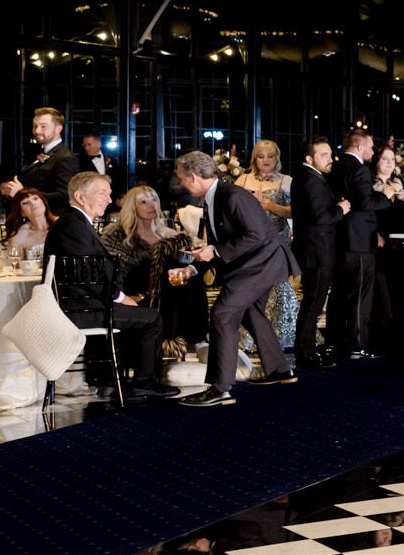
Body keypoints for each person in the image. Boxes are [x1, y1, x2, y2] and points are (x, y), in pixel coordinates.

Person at [175, 150, 297, 405]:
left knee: (222, 314)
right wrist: (198, 264)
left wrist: (215, 250)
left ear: (194, 177)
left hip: (260, 265)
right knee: (251, 312)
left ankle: (220, 389)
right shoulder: (216, 196)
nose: (180, 184)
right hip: (256, 263)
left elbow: (254, 236)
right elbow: (231, 240)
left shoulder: (231, 195)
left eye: (182, 179)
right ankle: (279, 370)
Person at [47, 172, 178, 401]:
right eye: (102, 194)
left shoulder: (73, 222)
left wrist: (122, 295)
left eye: (109, 194)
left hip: (87, 304)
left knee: (144, 310)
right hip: (83, 310)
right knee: (152, 319)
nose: (109, 200)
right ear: (79, 196)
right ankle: (143, 383)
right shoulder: (73, 226)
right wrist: (119, 297)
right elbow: (87, 274)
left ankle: (116, 376)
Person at [102, 184, 208, 354]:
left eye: (154, 200)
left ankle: (195, 339)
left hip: (170, 292)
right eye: (144, 202)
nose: (152, 205)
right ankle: (186, 341)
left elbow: (193, 261)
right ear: (132, 206)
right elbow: (109, 271)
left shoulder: (171, 235)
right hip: (137, 293)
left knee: (192, 279)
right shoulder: (117, 235)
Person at [236, 141, 300, 355]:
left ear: (276, 158)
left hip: (276, 241)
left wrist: (269, 206)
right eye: (261, 156)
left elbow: (295, 212)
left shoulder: (286, 181)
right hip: (250, 244)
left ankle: (283, 334)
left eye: (270, 156)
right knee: (252, 288)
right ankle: (249, 336)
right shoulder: (242, 180)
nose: (266, 160)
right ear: (255, 158)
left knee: (279, 287)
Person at [329, 131, 386, 361]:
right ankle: (357, 345)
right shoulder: (359, 169)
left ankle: (336, 341)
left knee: (340, 294)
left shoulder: (335, 167)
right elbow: (365, 202)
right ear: (360, 147)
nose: (372, 152)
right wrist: (387, 196)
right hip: (359, 241)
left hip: (339, 238)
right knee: (361, 294)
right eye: (371, 147)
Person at [291, 137, 347, 370]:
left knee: (312, 303)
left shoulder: (307, 177)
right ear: (309, 158)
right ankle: (305, 353)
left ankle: (307, 349)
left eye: (330, 154)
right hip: (316, 250)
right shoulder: (310, 180)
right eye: (323, 155)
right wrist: (340, 209)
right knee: (313, 304)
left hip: (313, 249)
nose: (330, 159)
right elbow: (320, 217)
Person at [370, 144, 404, 345]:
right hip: (383, 241)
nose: (389, 163)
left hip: (402, 239)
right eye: (384, 159)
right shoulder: (371, 184)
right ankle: (382, 333)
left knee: (401, 284)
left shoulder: (399, 181)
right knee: (383, 287)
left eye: (391, 159)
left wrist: (403, 192)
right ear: (376, 162)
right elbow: (368, 211)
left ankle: (401, 331)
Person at [0, 107, 76, 213]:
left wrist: (23, 193)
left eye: (43, 126)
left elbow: (65, 196)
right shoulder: (43, 152)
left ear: (58, 128)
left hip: (48, 223)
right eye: (35, 126)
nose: (37, 131)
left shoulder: (65, 157)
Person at [4, 188, 52, 257]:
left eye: (35, 198)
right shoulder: (19, 235)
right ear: (21, 212)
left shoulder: (61, 225)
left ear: (43, 202)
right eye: (25, 203)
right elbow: (16, 263)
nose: (32, 203)